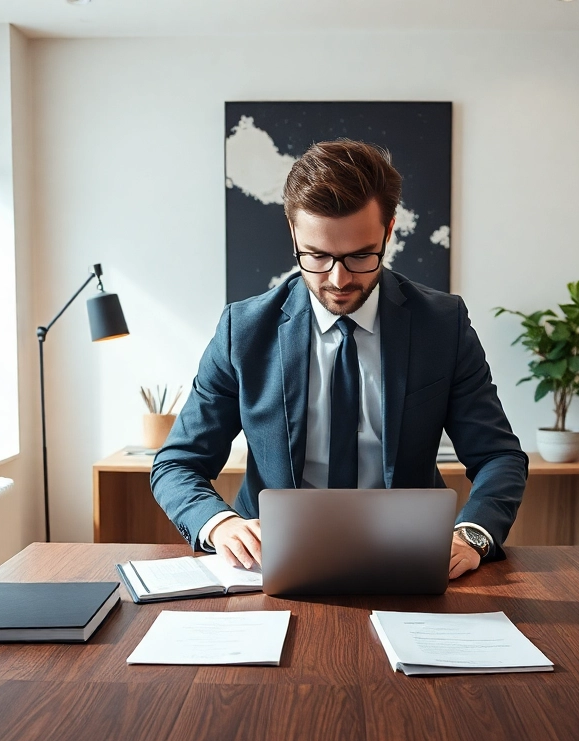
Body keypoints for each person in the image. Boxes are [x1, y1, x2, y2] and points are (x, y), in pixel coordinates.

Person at [151, 139, 527, 580]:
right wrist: (221, 525)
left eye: (360, 255)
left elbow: (499, 456)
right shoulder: (243, 330)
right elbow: (177, 463)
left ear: (388, 232)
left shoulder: (442, 325)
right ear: (293, 234)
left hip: (411, 559)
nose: (339, 278)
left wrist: (472, 535)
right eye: (317, 256)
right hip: (269, 563)